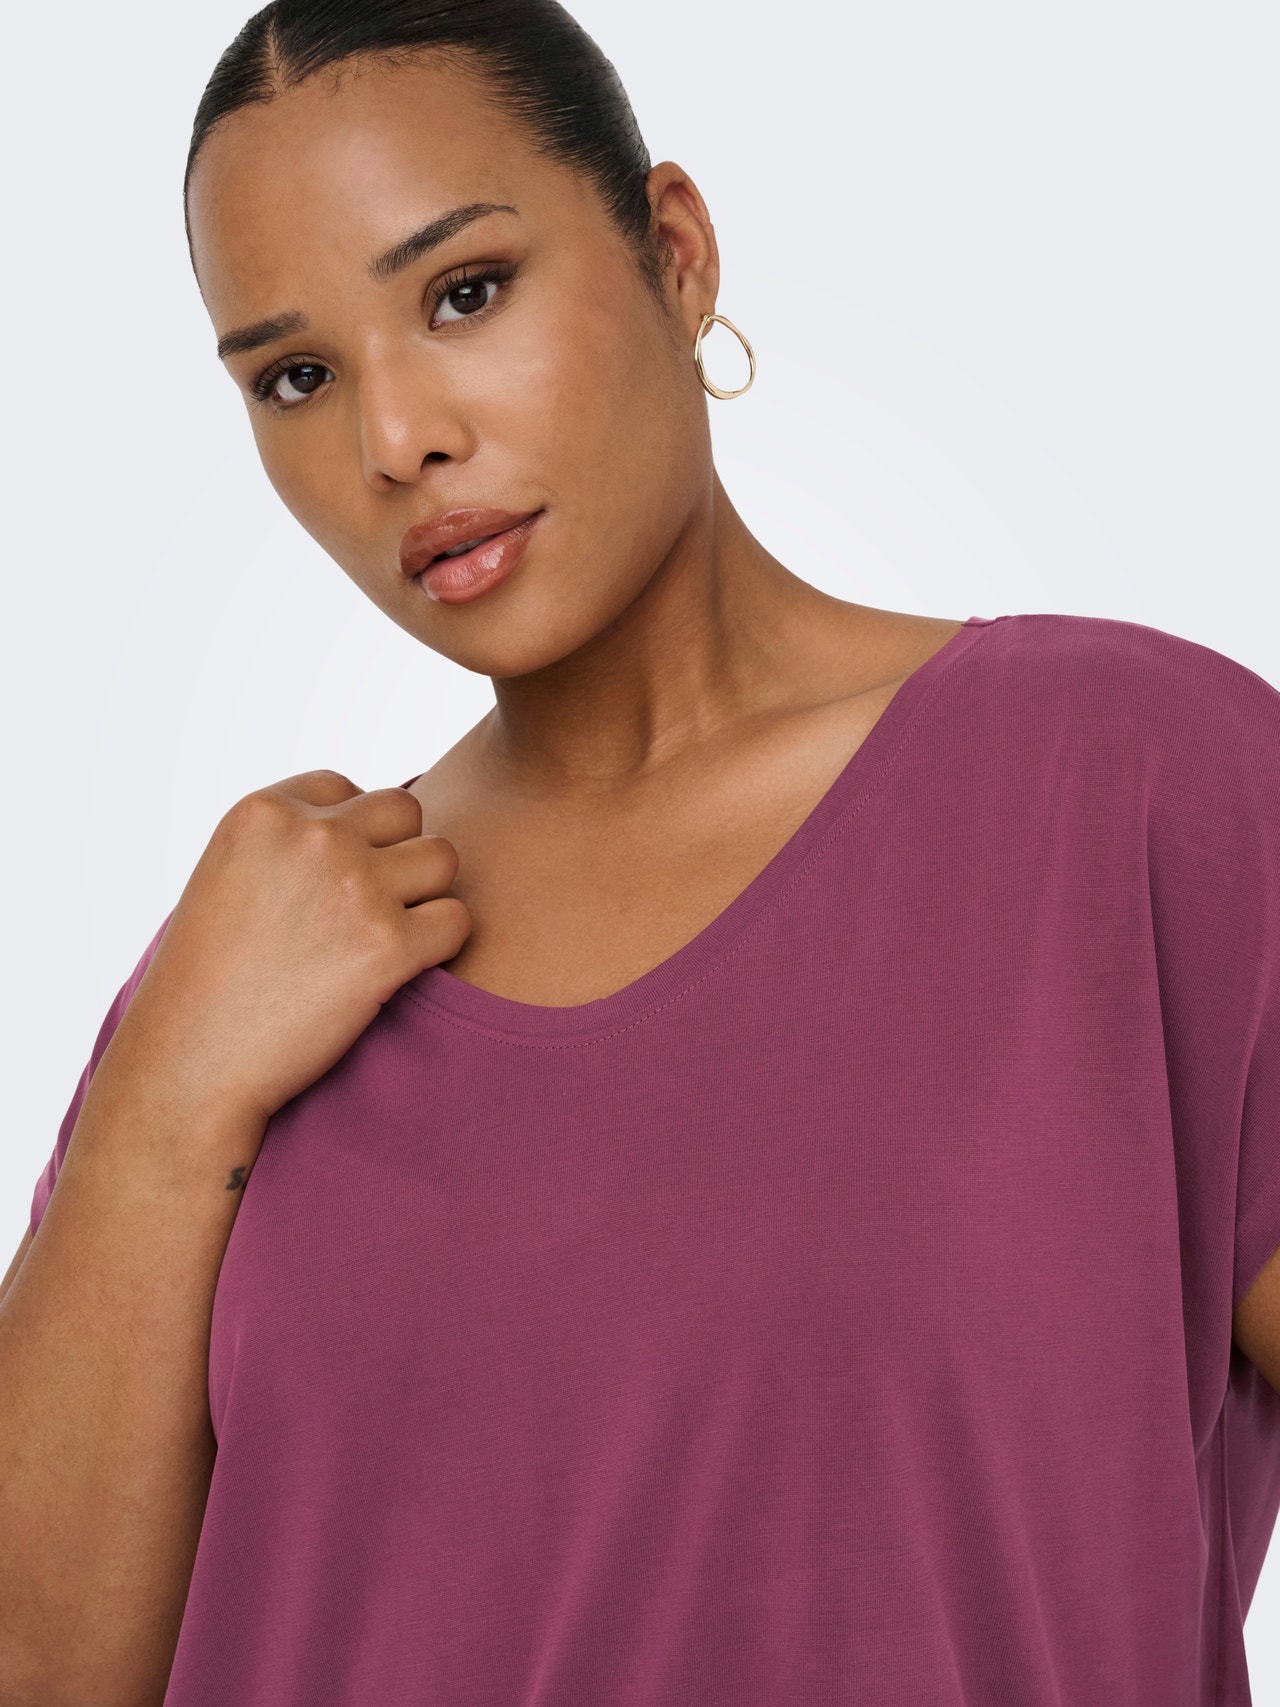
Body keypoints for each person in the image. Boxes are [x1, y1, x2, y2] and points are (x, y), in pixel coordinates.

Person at [1, 1, 1278, 1701]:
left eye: (465, 292)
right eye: (296, 377)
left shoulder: (1127, 788)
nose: (395, 440)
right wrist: (163, 1099)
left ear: (674, 253)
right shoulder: (256, 970)